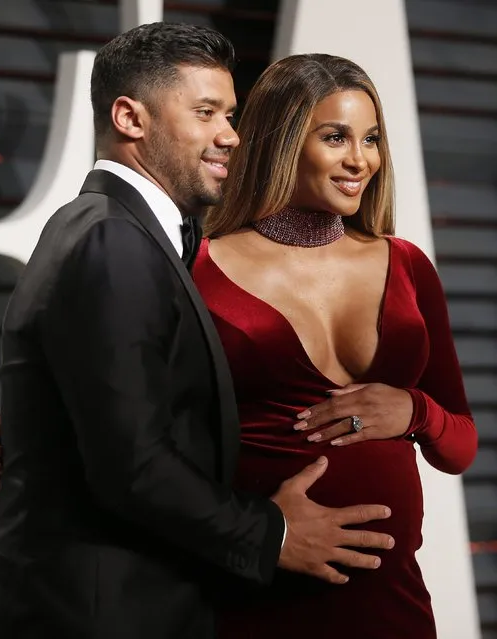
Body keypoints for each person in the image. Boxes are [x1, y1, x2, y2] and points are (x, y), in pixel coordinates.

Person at [0, 25, 395, 639]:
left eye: (230, 115)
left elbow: (119, 414)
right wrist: (274, 533)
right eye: (206, 113)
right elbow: (133, 465)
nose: (230, 136)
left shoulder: (133, 234)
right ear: (130, 118)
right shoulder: (110, 239)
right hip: (103, 613)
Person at [193, 53, 478, 638]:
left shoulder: (406, 265)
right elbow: (141, 431)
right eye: (335, 137)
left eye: (371, 138)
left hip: (389, 600)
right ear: (280, 142)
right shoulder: (198, 266)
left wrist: (416, 410)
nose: (360, 159)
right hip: (255, 591)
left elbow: (460, 448)